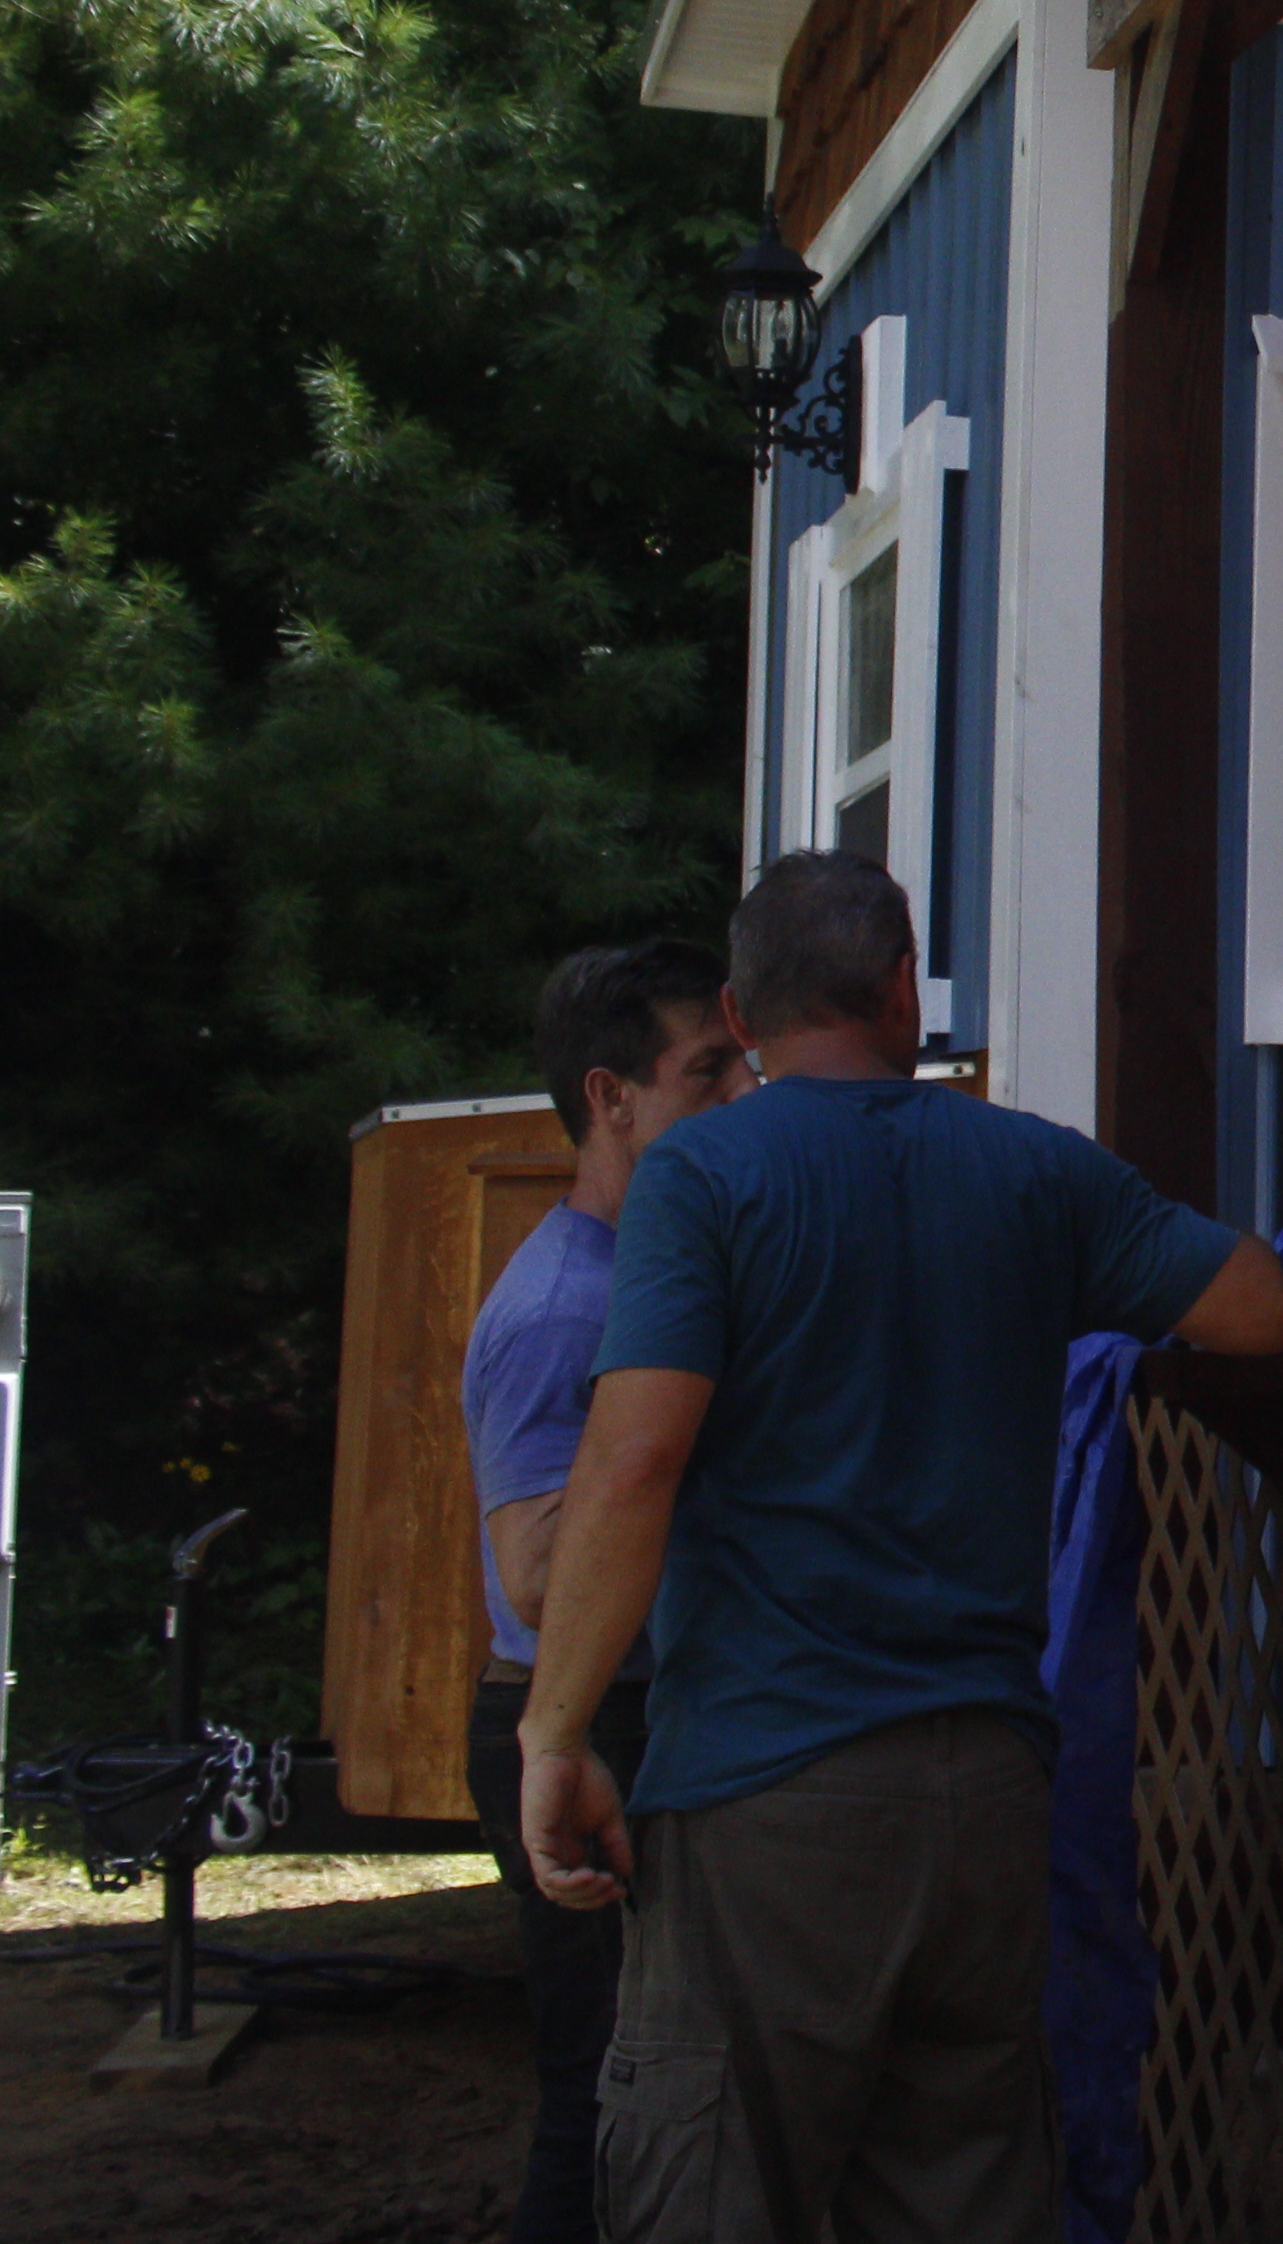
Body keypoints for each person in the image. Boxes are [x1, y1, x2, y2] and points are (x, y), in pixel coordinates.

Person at [513, 851, 1283, 2242]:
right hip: (988, 1799)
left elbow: (635, 1459)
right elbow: (1264, 1309)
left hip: (770, 1794)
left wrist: (556, 1732)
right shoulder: (1031, 1168)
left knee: (711, 2194)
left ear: (742, 1019)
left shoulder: (701, 1175)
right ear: (899, 990)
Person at [467, 939, 748, 2244]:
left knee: (670, 2081)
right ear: (611, 1096)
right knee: (605, 2089)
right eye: (708, 1071)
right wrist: (661, 1464)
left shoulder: (648, 1275)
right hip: (579, 1722)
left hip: (635, 1718)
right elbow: (533, 1574)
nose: (740, 1095)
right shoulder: (565, 1309)